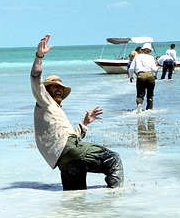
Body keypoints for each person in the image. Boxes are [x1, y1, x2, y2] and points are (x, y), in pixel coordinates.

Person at [31, 34, 124, 190]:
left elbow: (69, 138)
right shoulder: (44, 100)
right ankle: (117, 201)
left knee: (75, 196)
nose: (59, 89)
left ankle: (75, 216)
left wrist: (85, 123)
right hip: (66, 151)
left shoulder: (53, 112)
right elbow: (35, 77)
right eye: (55, 86)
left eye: (61, 87)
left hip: (61, 159)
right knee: (113, 160)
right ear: (46, 90)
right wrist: (39, 56)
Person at [128, 42, 158, 112]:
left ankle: (139, 104)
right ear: (150, 50)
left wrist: (131, 76)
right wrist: (157, 68)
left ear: (142, 49)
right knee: (150, 94)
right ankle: (149, 110)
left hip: (141, 75)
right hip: (150, 75)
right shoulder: (151, 57)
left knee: (140, 93)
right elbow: (154, 69)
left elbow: (131, 68)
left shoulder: (137, 57)